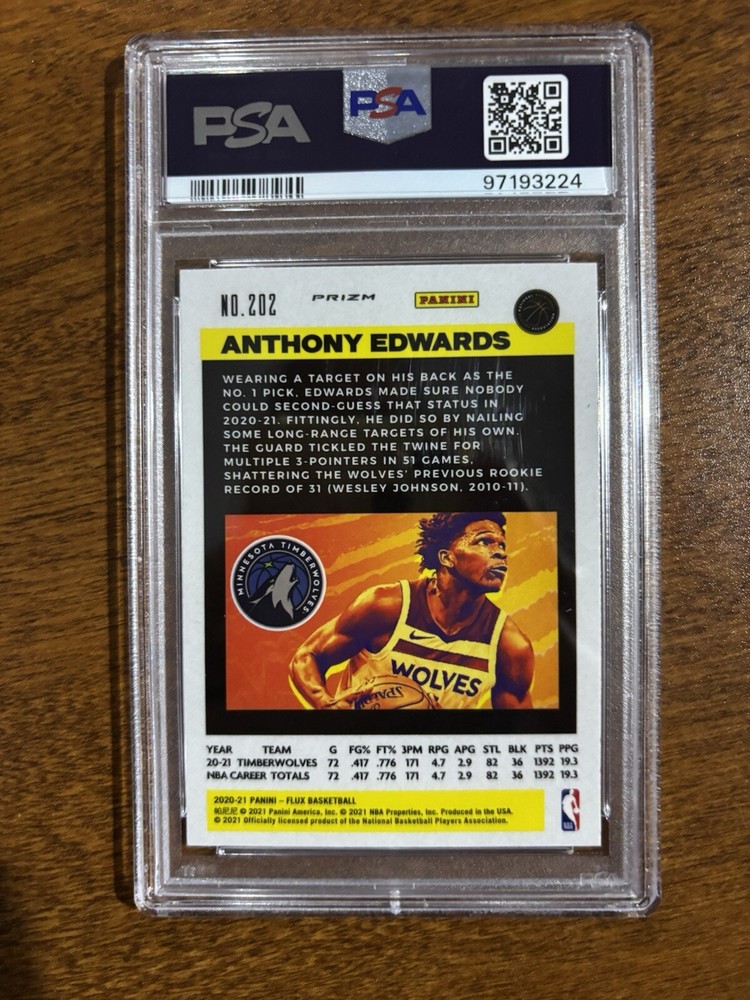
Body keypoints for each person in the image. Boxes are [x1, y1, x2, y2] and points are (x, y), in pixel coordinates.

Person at [289, 512, 534, 709]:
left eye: (502, 545)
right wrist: (324, 703)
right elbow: (307, 657)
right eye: (484, 542)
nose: (501, 552)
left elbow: (519, 732)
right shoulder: (386, 606)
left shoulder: (509, 645)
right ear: (447, 558)